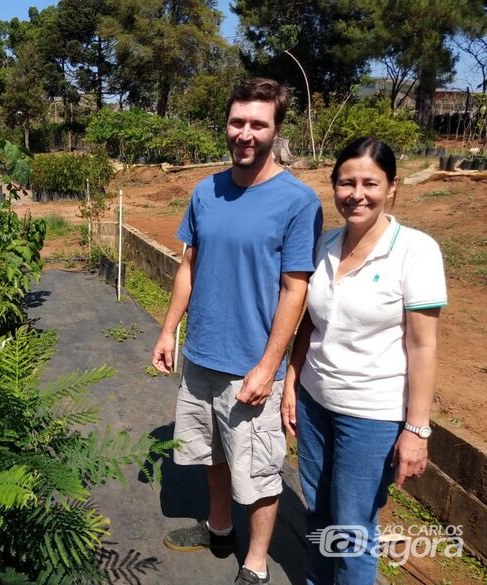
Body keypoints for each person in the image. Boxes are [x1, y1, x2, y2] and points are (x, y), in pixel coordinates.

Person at [151, 77, 323, 585]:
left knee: (261, 472)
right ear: (226, 125)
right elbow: (189, 265)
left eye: (257, 124)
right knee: (212, 452)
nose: (245, 133)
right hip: (202, 357)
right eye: (237, 122)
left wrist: (269, 367)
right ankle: (221, 529)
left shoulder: (297, 201)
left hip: (252, 365)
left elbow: (297, 290)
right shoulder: (206, 191)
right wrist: (168, 332)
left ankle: (256, 565)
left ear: (276, 130)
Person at [281, 137, 447, 585]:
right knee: (317, 511)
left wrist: (416, 429)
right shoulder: (326, 244)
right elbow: (309, 325)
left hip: (371, 416)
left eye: (370, 183)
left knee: (353, 529)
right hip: (315, 404)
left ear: (391, 187)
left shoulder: (415, 250)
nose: (357, 194)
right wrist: (291, 383)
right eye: (346, 183)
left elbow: (423, 345)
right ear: (333, 187)